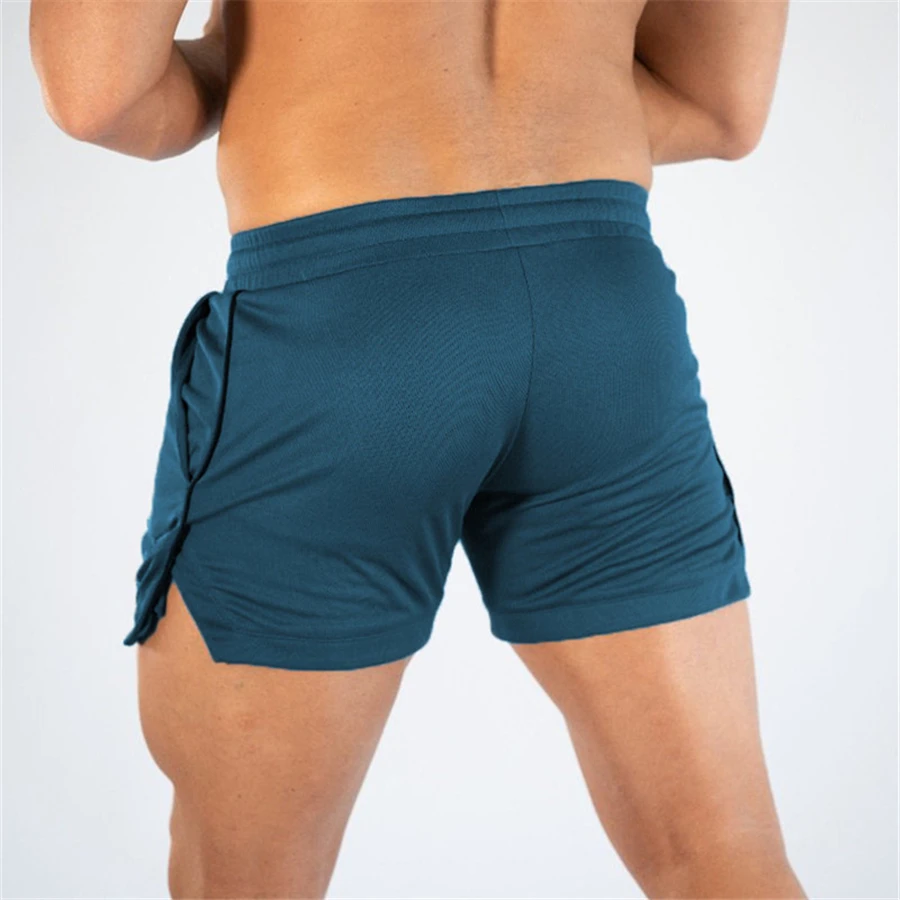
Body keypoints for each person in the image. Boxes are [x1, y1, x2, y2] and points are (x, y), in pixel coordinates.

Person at [31, 1, 805, 896]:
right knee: (721, 853)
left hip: (344, 326)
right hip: (602, 316)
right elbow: (720, 106)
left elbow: (97, 94)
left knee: (245, 880)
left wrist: (239, 66)